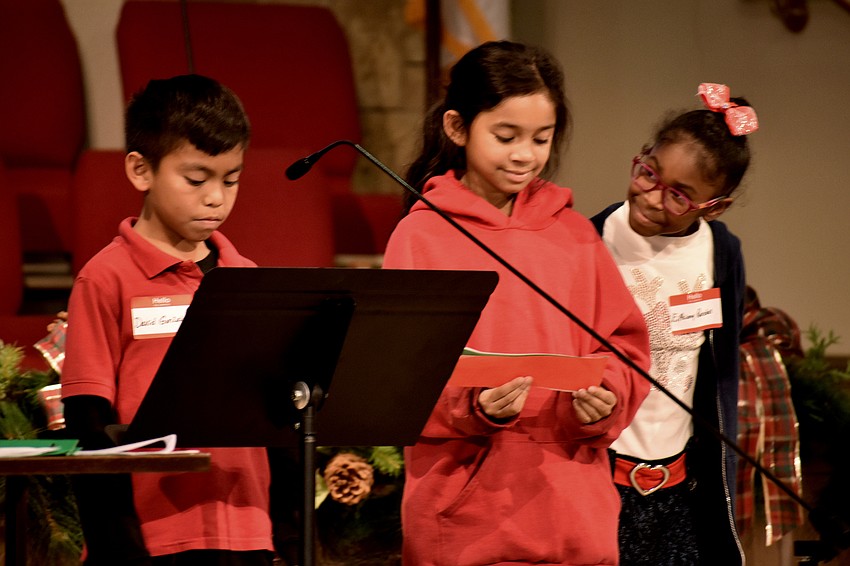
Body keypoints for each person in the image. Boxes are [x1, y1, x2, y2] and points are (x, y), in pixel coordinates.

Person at [383, 40, 652, 565]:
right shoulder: (421, 238)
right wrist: (472, 406)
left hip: (575, 518)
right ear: (458, 128)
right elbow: (397, 377)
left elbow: (625, 347)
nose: (525, 155)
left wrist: (605, 400)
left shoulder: (574, 234)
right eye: (506, 137)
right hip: (464, 527)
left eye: (541, 138)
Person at [61, 74, 278, 566]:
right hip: (155, 538)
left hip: (246, 531)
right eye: (197, 180)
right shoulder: (105, 278)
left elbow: (276, 417)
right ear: (140, 170)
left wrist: (284, 533)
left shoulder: (248, 279)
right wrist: (119, 545)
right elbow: (89, 424)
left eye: (231, 179)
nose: (216, 198)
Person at [590, 83, 757, 565]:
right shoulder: (587, 242)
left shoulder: (721, 252)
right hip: (601, 482)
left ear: (715, 206)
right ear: (642, 156)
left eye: (680, 196)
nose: (652, 197)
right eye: (649, 173)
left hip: (681, 490)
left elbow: (719, 372)